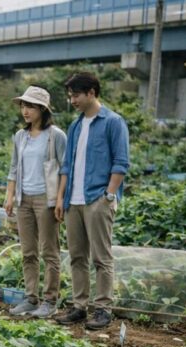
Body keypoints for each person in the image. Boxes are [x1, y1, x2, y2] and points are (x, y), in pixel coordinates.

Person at [54, 72, 130, 330]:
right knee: (77, 257)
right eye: (70, 96)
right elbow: (66, 165)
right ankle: (79, 306)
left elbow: (121, 162)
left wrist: (108, 195)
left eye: (76, 95)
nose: (72, 100)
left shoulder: (113, 122)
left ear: (91, 93)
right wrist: (61, 197)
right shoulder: (75, 126)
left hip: (97, 198)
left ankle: (103, 309)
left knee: (101, 257)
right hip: (73, 202)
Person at [3, 86, 67, 318]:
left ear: (42, 109)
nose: (25, 110)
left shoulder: (56, 136)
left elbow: (65, 169)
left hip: (45, 199)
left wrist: (60, 199)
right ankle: (31, 298)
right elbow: (14, 168)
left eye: (30, 106)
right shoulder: (21, 136)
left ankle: (50, 301)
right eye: (23, 105)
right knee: (28, 251)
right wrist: (10, 195)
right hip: (24, 199)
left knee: (49, 251)